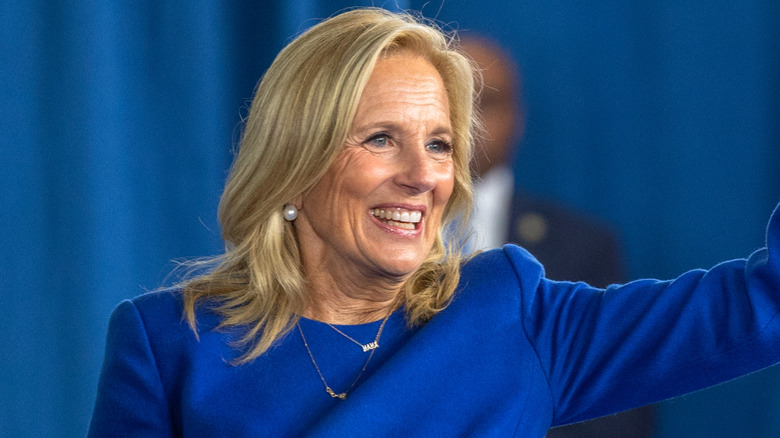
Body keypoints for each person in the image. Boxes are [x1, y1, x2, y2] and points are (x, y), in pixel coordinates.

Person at [88, 8, 780, 437]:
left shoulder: (510, 316)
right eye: (382, 139)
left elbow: (757, 307)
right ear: (295, 163)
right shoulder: (167, 344)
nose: (423, 175)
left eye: (441, 143)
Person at [460, 35, 654, 437]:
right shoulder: (377, 228)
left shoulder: (584, 246)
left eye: (485, 103)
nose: (469, 122)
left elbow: (617, 395)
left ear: (518, 118)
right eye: (452, 103)